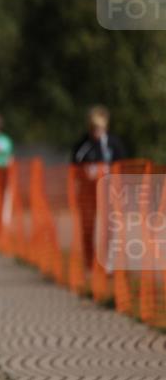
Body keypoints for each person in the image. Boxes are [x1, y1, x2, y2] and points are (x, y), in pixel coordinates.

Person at [70, 105, 127, 270]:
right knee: (88, 227)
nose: (97, 131)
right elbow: (74, 167)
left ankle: (108, 262)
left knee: (109, 227)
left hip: (109, 192)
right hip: (88, 193)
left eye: (100, 127)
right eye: (94, 127)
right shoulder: (82, 145)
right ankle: (89, 263)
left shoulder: (114, 143)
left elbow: (121, 166)